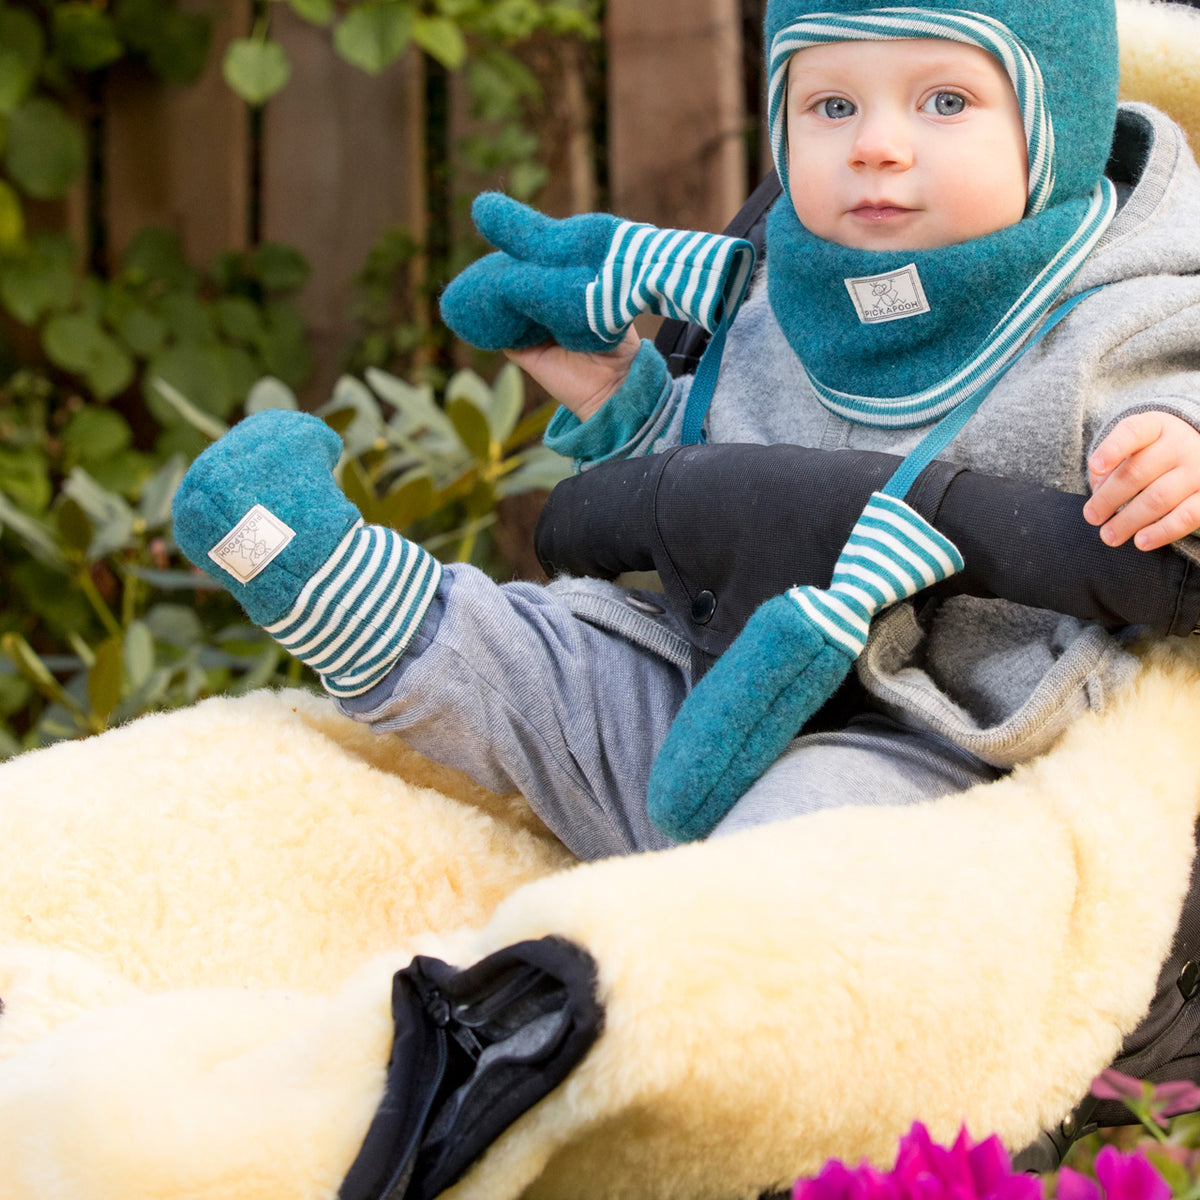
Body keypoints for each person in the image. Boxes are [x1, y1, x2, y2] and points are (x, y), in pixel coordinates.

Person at [173, 0, 1200, 864]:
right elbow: (714, 480)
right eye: (831, 104)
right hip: (707, 665)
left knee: (817, 826)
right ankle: (341, 589)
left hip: (936, 734)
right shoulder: (783, 298)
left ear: (1051, 128)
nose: (876, 144)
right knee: (556, 657)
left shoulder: (1131, 312)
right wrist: (621, 399)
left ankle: (674, 959)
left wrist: (1181, 456)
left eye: (945, 102)